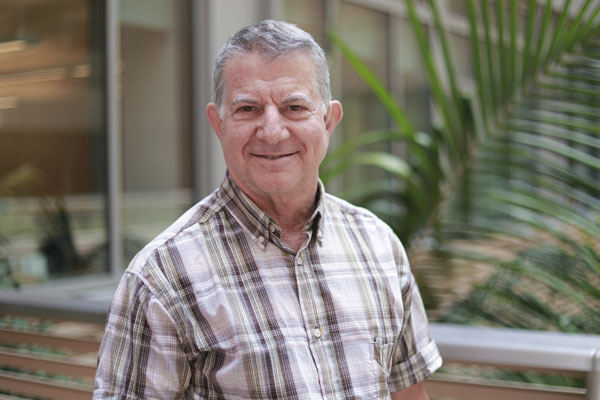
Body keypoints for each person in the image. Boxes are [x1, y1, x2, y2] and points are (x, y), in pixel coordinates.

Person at [94, 19, 441, 399]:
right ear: (218, 123)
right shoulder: (161, 277)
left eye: (294, 107)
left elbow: (410, 394)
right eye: (248, 108)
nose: (272, 131)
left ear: (328, 121)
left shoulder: (379, 246)